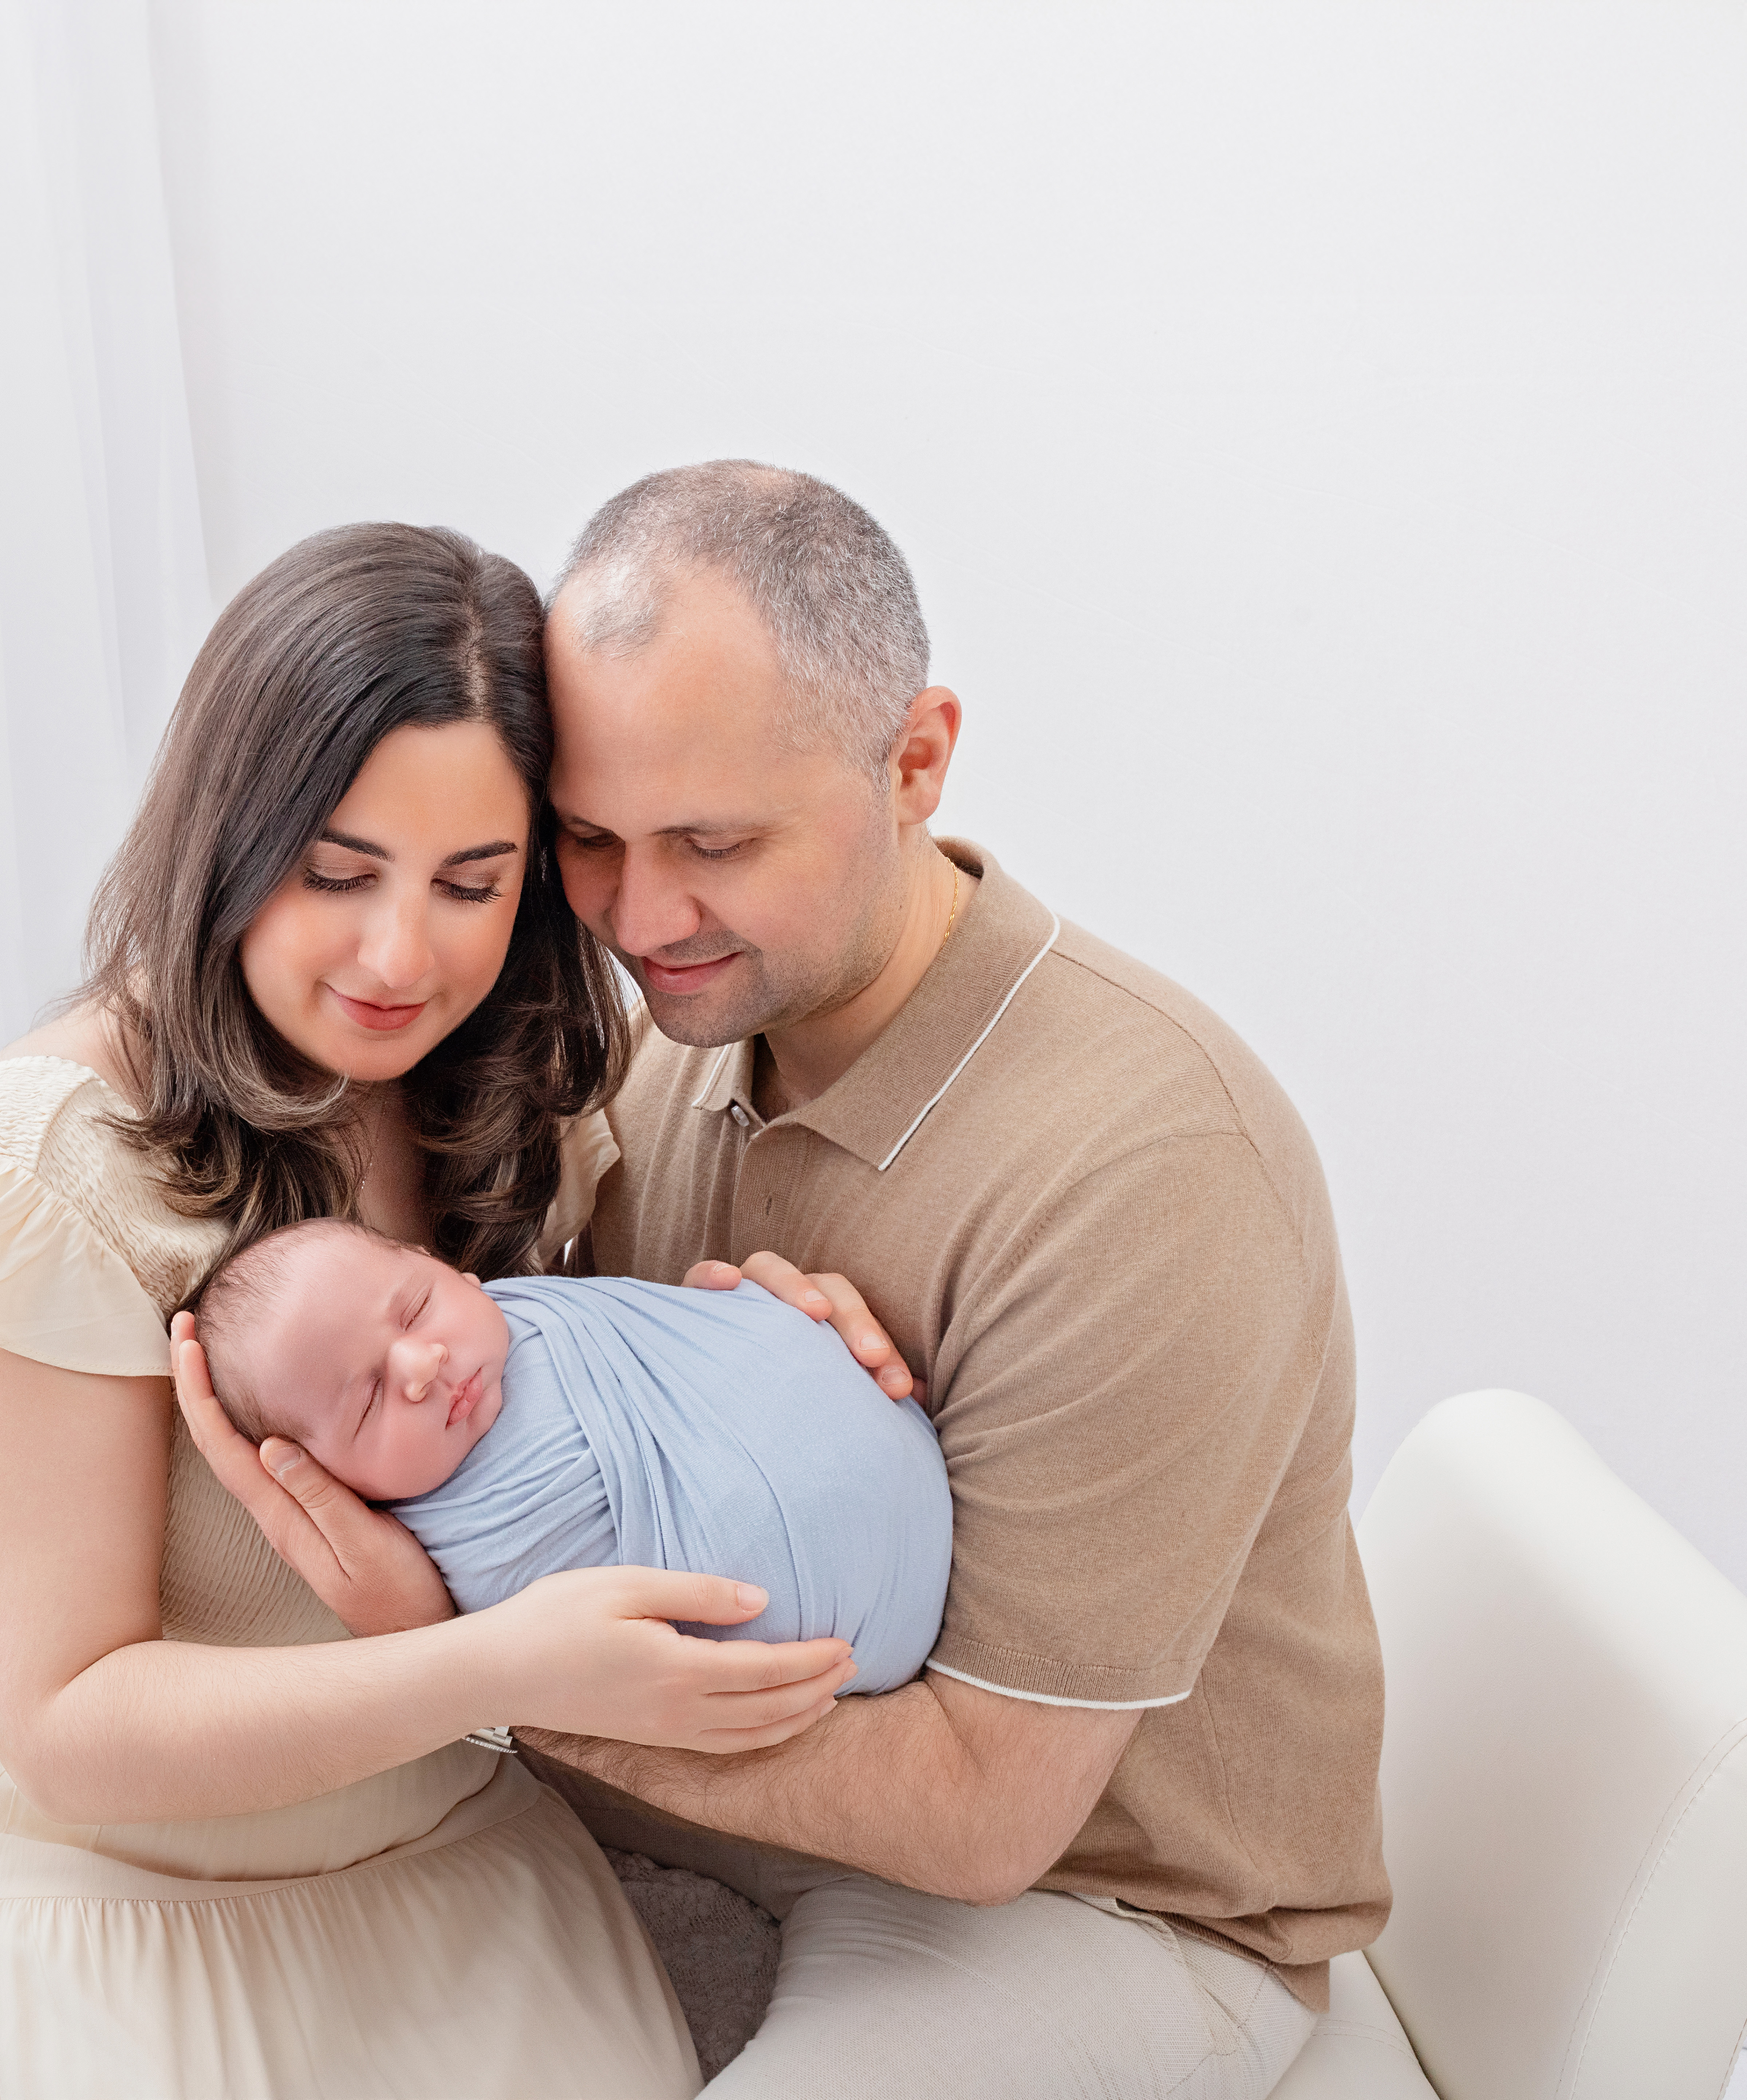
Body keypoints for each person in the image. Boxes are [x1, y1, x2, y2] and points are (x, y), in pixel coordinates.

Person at [183, 463, 1389, 2098]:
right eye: (594, 842)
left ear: (916, 759)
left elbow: (980, 1807)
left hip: (1089, 1898)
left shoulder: (1148, 1166)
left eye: (717, 840)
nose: (643, 914)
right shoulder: (678, 1042)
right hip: (695, 1818)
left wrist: (479, 1662)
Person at [0, 521, 867, 2099]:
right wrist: (493, 1667)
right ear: (232, 840)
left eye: (471, 883)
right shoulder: (54, 1162)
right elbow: (69, 1718)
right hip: (43, 1877)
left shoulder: (509, 1102)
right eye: (336, 872)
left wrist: (742, 1352)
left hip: (393, 1829)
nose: (397, 953)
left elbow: (543, 1447)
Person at [184, 1215, 948, 1690]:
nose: (421, 1367)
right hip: (831, 1643)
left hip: (908, 1465)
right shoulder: (450, 1545)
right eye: (368, 1399)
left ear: (447, 1266)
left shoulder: (540, 1304)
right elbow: (544, 1663)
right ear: (323, 1479)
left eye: (416, 1306)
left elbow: (678, 1326)